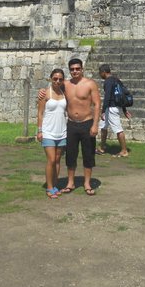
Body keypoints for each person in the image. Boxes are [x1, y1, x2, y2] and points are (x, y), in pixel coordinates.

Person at [40, 58, 101, 196]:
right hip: (71, 124)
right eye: (72, 69)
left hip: (87, 123)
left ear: (82, 69)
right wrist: (41, 91)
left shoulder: (90, 84)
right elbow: (52, 88)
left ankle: (87, 183)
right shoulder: (65, 85)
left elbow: (97, 104)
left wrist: (96, 124)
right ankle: (70, 182)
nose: (75, 71)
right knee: (71, 155)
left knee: (88, 154)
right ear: (69, 70)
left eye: (77, 68)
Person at [36, 68, 68, 199]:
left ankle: (55, 185)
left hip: (62, 131)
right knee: (51, 159)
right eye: (55, 78)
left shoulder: (64, 92)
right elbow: (40, 113)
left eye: (60, 79)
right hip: (48, 131)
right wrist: (39, 130)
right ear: (50, 78)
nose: (57, 81)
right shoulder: (45, 93)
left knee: (58, 160)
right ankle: (49, 187)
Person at [96, 64, 132, 157]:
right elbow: (121, 96)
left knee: (118, 129)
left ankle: (124, 151)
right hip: (114, 107)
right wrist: (124, 110)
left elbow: (107, 96)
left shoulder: (108, 81)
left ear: (104, 72)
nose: (100, 75)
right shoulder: (117, 80)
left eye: (100, 73)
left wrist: (103, 111)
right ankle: (102, 147)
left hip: (111, 108)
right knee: (103, 126)